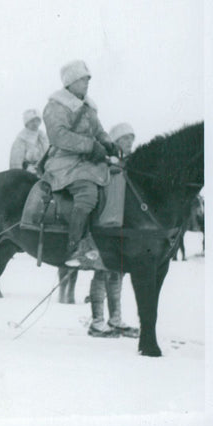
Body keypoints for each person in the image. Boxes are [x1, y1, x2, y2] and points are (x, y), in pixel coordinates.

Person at [41, 60, 119, 270]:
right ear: (71, 82)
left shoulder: (88, 106)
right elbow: (58, 136)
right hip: (64, 162)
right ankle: (75, 247)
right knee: (87, 193)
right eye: (83, 79)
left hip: (88, 161)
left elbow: (98, 130)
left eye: (88, 79)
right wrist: (90, 146)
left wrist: (108, 143)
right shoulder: (56, 106)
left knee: (119, 181)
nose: (87, 83)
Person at [88, 122, 139, 337]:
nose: (129, 142)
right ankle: (97, 322)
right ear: (116, 140)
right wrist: (112, 164)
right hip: (104, 223)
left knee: (117, 272)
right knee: (101, 271)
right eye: (126, 138)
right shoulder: (106, 160)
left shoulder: (130, 163)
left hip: (121, 225)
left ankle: (115, 319)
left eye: (131, 138)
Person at [9, 109, 49, 174]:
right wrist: (26, 167)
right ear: (27, 123)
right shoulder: (21, 139)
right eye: (32, 121)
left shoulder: (43, 136)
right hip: (28, 172)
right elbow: (15, 163)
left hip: (44, 169)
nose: (35, 123)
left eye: (37, 120)